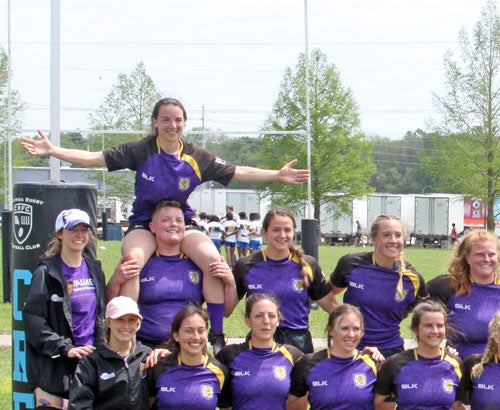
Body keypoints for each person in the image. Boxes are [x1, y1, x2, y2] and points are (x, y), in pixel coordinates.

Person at [21, 98, 309, 349]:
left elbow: (238, 171)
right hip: (145, 222)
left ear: (185, 123)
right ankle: (129, 331)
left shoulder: (196, 156)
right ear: (155, 123)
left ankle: (217, 334)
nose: (173, 125)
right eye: (166, 119)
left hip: (180, 221)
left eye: (178, 120)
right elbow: (92, 159)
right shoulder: (141, 150)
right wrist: (53, 151)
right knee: (133, 260)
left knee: (212, 260)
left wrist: (277, 174)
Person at [21, 209, 107, 410]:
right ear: (60, 234)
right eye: (73, 230)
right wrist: (63, 347)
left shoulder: (93, 269)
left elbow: (99, 316)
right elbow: (33, 322)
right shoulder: (47, 272)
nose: (79, 235)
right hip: (54, 366)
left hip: (86, 366)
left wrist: (99, 353)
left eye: (84, 230)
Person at [110, 200, 236, 349]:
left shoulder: (199, 263)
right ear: (152, 226)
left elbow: (225, 312)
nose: (174, 224)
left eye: (179, 220)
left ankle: (216, 337)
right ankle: (129, 345)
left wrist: (230, 283)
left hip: (189, 347)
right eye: (166, 220)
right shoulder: (142, 262)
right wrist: (115, 281)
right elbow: (112, 308)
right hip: (146, 346)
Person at [232, 207, 336, 355]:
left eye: (287, 230)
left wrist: (361, 326)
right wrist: (226, 280)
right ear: (264, 232)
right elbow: (226, 309)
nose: (282, 235)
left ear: (294, 232)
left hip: (298, 343)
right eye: (275, 230)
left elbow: (332, 305)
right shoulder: (246, 265)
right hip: (260, 342)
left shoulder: (308, 264)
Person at [373, 301, 464, 410]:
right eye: (428, 326)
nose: (435, 331)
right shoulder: (395, 364)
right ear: (416, 329)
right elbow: (373, 402)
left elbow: (456, 405)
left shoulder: (455, 363)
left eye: (439, 326)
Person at [330, 214, 426, 356]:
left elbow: (423, 313)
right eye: (386, 235)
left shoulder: (413, 279)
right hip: (351, 349)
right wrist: (345, 317)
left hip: (390, 351)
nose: (393, 240)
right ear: (374, 238)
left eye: (398, 235)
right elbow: (327, 293)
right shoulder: (351, 264)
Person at [426, 229, 500, 359]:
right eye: (480, 254)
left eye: (491, 254)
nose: (486, 259)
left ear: (498, 257)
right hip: (458, 366)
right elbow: (419, 319)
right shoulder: (446, 286)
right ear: (468, 258)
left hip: (498, 367)